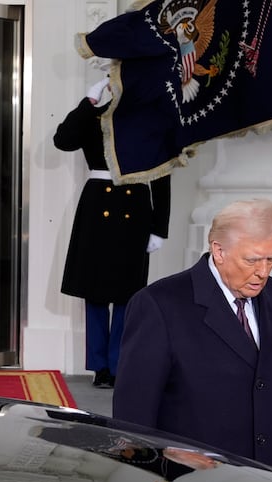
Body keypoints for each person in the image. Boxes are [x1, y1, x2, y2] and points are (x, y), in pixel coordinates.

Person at [113, 198, 272, 482]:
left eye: (271, 259)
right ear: (218, 250)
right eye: (252, 260)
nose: (263, 272)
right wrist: (145, 481)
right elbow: (133, 415)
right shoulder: (159, 305)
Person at [53, 76, 171, 388]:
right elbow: (62, 140)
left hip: (135, 210)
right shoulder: (94, 117)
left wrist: (160, 228)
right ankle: (100, 367)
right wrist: (88, 103)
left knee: (126, 295)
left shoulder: (150, 122)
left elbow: (161, 177)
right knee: (94, 293)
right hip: (97, 208)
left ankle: (119, 364)